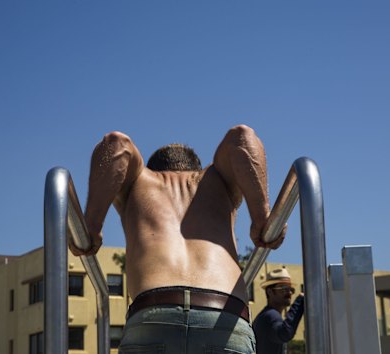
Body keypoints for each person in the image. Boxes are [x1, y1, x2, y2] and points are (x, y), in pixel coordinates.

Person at [69, 125, 286, 354]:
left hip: (154, 317)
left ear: (151, 169)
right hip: (223, 318)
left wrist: (91, 224)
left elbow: (116, 143)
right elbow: (242, 137)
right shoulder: (218, 181)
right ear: (197, 169)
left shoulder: (138, 182)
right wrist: (262, 217)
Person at [253, 268, 305, 354]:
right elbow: (285, 333)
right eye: (284, 289)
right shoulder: (270, 316)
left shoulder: (267, 315)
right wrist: (299, 302)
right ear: (270, 292)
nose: (289, 293)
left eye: (291, 289)